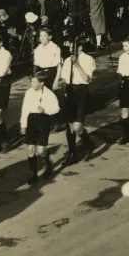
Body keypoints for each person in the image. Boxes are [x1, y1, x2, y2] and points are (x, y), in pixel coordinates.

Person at [56, 35, 96, 165]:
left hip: (81, 91)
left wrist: (77, 65)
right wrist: (60, 85)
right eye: (69, 46)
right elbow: (64, 78)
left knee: (78, 126)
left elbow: (88, 79)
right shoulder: (67, 60)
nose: (70, 49)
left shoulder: (88, 59)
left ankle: (88, 143)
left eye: (73, 46)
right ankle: (73, 153)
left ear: (79, 47)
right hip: (69, 92)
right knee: (70, 127)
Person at [19, 72, 61, 185]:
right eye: (31, 81)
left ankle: (48, 164)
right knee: (30, 149)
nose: (31, 84)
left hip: (43, 121)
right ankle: (33, 174)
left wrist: (45, 110)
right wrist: (23, 125)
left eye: (34, 82)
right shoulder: (28, 93)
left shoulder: (49, 94)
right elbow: (25, 109)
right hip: (31, 120)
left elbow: (56, 109)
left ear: (41, 83)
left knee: (41, 150)